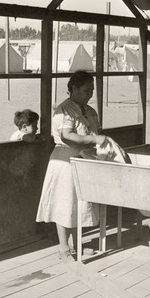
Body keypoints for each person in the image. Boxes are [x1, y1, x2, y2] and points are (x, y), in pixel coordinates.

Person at [36, 71, 105, 262]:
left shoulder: (90, 111)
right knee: (64, 204)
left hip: (84, 160)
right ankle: (63, 248)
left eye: (91, 90)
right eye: (85, 90)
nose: (89, 94)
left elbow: (96, 133)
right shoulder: (64, 110)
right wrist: (92, 139)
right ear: (73, 88)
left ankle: (78, 243)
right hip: (65, 160)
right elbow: (67, 136)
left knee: (80, 204)